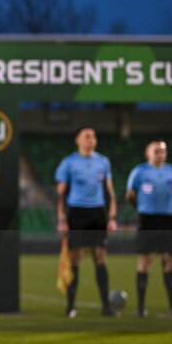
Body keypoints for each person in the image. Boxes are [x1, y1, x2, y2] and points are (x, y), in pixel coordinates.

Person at [55, 126, 119, 318]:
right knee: (76, 259)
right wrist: (61, 218)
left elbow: (110, 192)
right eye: (87, 136)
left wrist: (112, 217)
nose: (91, 139)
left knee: (100, 258)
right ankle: (71, 306)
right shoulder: (69, 162)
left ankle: (106, 307)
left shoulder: (103, 161)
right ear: (78, 140)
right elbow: (60, 193)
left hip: (97, 213)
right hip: (76, 213)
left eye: (94, 136)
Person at [126, 141, 172, 317]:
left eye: (163, 151)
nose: (161, 154)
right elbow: (130, 195)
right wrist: (142, 208)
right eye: (157, 151)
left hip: (167, 220)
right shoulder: (139, 171)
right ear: (148, 153)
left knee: (168, 261)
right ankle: (140, 307)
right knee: (145, 261)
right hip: (147, 220)